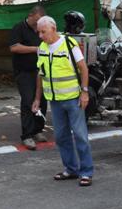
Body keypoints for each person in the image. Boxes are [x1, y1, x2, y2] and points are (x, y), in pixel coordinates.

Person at [32, 15, 94, 186]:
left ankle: (86, 172)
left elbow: (83, 69)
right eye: (39, 32)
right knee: (61, 137)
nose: (40, 36)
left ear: (53, 28)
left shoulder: (68, 44)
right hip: (55, 100)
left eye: (43, 32)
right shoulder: (42, 48)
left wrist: (85, 92)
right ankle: (71, 169)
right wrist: (37, 98)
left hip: (73, 98)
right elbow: (40, 74)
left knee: (80, 136)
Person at [10, 4, 48, 150]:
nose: (39, 24)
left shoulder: (40, 30)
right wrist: (35, 49)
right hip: (24, 72)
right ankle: (27, 135)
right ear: (31, 15)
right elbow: (14, 47)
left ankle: (38, 130)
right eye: (37, 20)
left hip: (41, 70)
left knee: (42, 101)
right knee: (28, 101)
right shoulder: (18, 28)